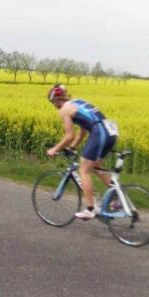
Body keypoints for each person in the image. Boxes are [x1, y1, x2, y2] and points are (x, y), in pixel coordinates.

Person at [46, 84, 119, 220]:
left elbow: (69, 135)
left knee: (84, 170)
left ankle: (90, 209)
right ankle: (117, 197)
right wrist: (72, 147)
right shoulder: (78, 102)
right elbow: (82, 131)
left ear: (56, 100)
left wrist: (54, 149)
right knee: (96, 166)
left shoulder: (64, 110)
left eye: (53, 102)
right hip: (111, 132)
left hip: (99, 132)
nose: (54, 105)